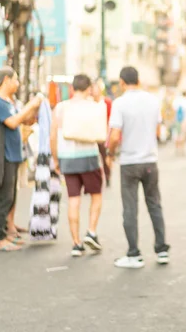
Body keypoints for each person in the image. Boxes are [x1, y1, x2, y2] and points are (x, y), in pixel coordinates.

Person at [108, 66, 170, 268]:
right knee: (154, 205)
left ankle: (134, 254)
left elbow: (115, 136)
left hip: (129, 162)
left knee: (130, 208)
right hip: (150, 160)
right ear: (139, 80)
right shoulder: (152, 100)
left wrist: (110, 152)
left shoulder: (120, 103)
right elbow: (159, 130)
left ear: (122, 82)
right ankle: (162, 250)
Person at [0, 67, 42, 251]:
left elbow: (23, 120)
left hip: (14, 155)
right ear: (6, 80)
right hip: (2, 156)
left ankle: (9, 230)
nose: (18, 83)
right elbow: (13, 122)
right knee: (3, 197)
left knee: (11, 196)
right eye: (15, 79)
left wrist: (33, 111)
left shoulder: (9, 102)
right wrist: (31, 105)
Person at [50, 74, 104, 257]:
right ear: (89, 88)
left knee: (74, 199)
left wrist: (56, 160)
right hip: (89, 157)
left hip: (67, 157)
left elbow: (53, 136)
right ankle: (92, 231)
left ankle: (76, 243)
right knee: (96, 195)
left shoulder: (60, 108)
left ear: (72, 88)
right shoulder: (94, 107)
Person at [91, 81, 112, 187]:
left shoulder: (106, 102)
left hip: (104, 134)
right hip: (92, 135)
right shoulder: (89, 102)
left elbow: (110, 119)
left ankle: (107, 177)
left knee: (105, 157)